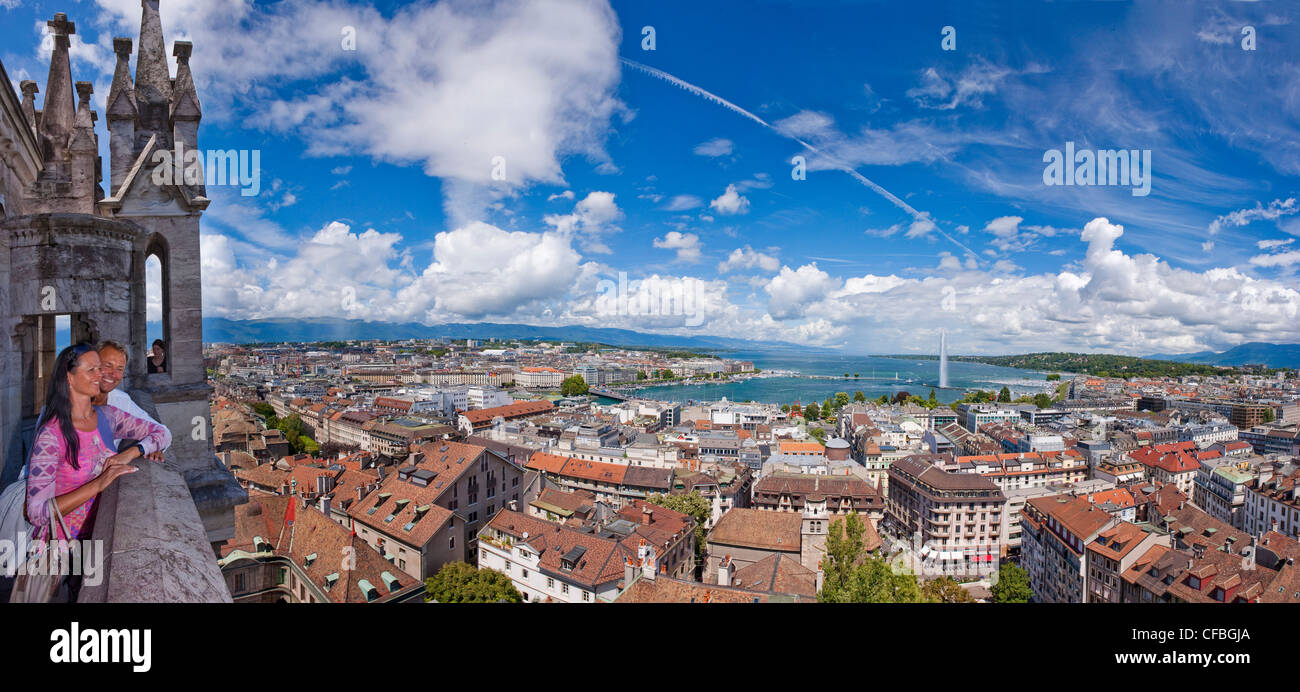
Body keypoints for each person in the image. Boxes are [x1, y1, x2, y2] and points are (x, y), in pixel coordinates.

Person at [25, 343, 171, 547]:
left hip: (98, 539)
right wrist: (99, 483)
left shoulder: (109, 415)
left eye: (99, 368)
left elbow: (162, 432)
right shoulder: (52, 434)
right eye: (93, 369)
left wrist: (132, 452)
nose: (101, 375)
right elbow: (36, 513)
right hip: (62, 551)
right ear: (69, 377)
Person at [92, 340, 166, 461]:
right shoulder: (64, 407)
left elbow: (162, 432)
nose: (113, 374)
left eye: (120, 369)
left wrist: (139, 449)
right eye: (108, 365)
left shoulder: (120, 403)